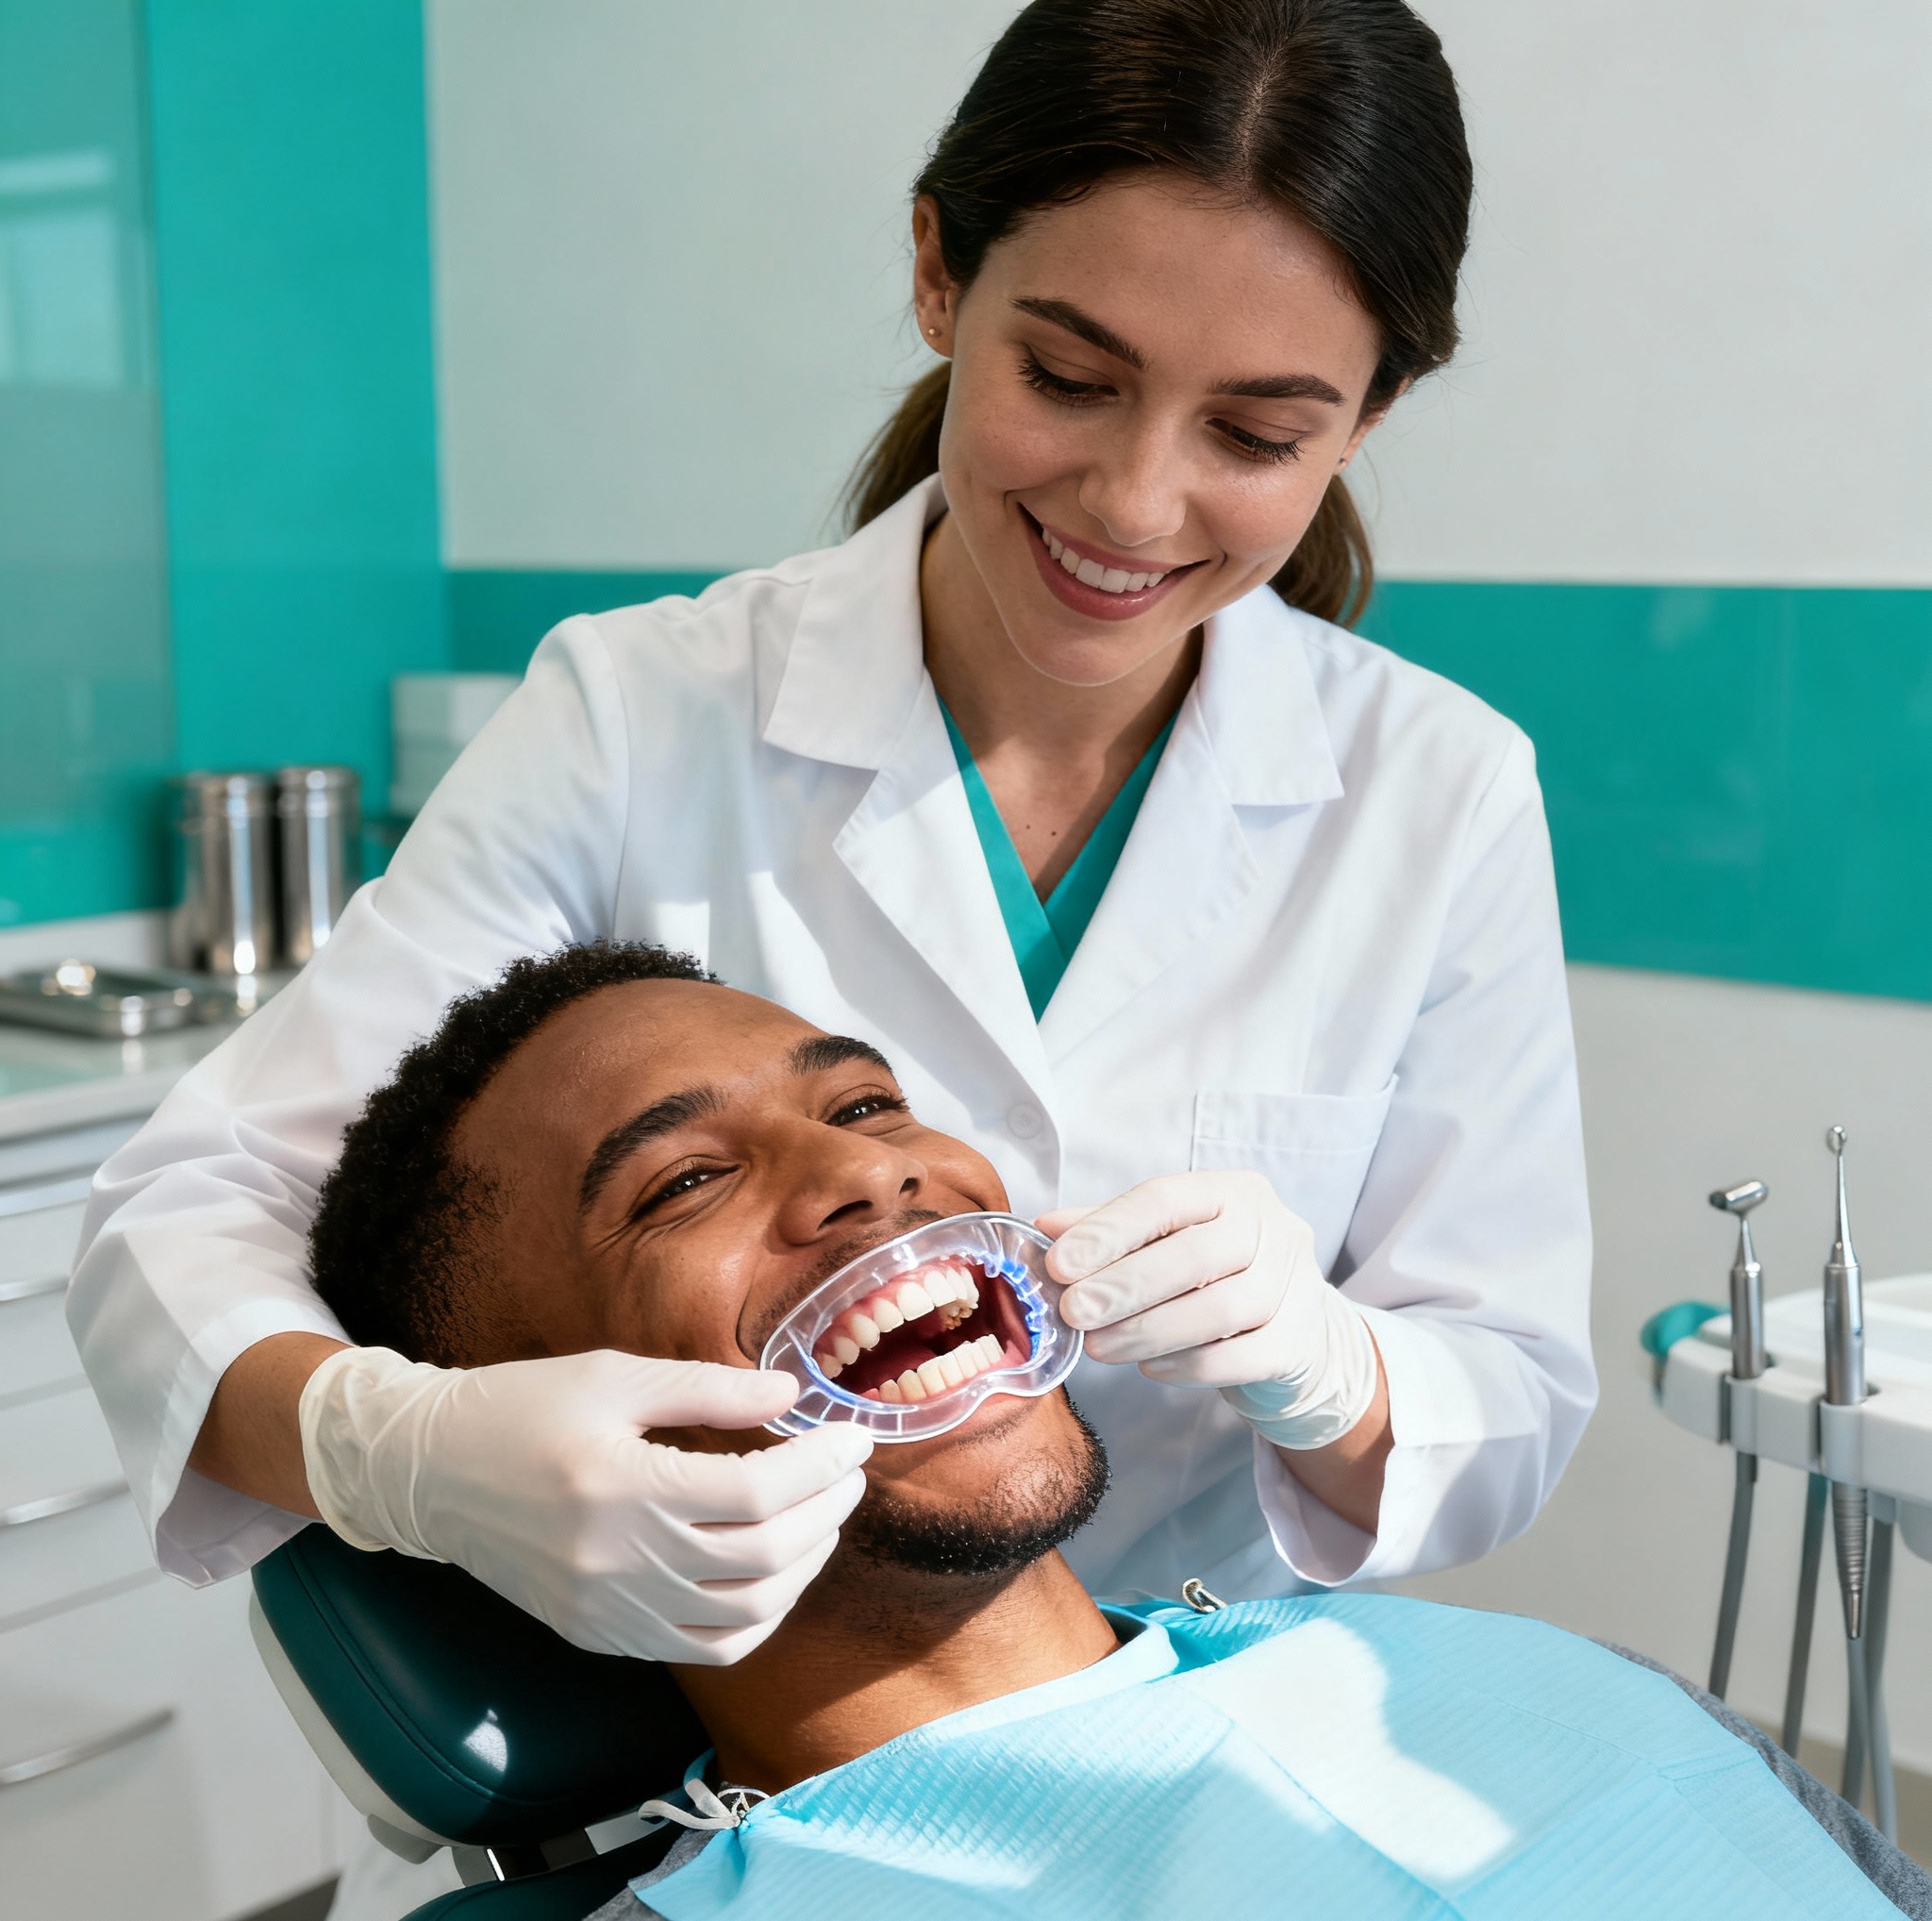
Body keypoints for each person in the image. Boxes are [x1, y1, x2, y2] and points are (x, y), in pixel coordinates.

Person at [73, 0, 1591, 1673]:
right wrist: (410, 1458)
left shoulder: (1438, 788)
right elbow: (187, 1217)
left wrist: (1330, 1365)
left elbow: (1505, 1398)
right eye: (1070, 379)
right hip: (715, 1732)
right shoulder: (643, 713)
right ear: (941, 273)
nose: (1137, 505)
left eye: (1256, 436)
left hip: (1195, 1712)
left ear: (1367, 416)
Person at [301, 944, 1924, 1921]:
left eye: (868, 1105)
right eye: (681, 1185)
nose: (871, 1177)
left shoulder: (1535, 1681)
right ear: (531, 1448)